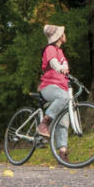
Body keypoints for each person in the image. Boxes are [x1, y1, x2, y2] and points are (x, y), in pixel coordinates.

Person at [38, 24, 70, 162]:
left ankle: (62, 154)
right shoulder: (50, 49)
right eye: (63, 33)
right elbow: (54, 63)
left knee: (64, 119)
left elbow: (65, 67)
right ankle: (44, 123)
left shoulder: (60, 52)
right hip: (49, 87)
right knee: (63, 97)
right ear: (59, 37)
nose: (65, 35)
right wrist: (60, 69)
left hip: (61, 87)